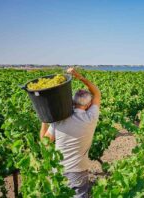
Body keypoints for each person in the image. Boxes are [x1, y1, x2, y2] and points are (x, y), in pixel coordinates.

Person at [39, 68, 101, 198]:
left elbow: (45, 141)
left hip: (58, 170)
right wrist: (79, 77)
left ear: (73, 102)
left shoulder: (59, 119)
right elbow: (97, 93)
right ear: (89, 105)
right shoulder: (91, 118)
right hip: (78, 171)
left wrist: (44, 117)